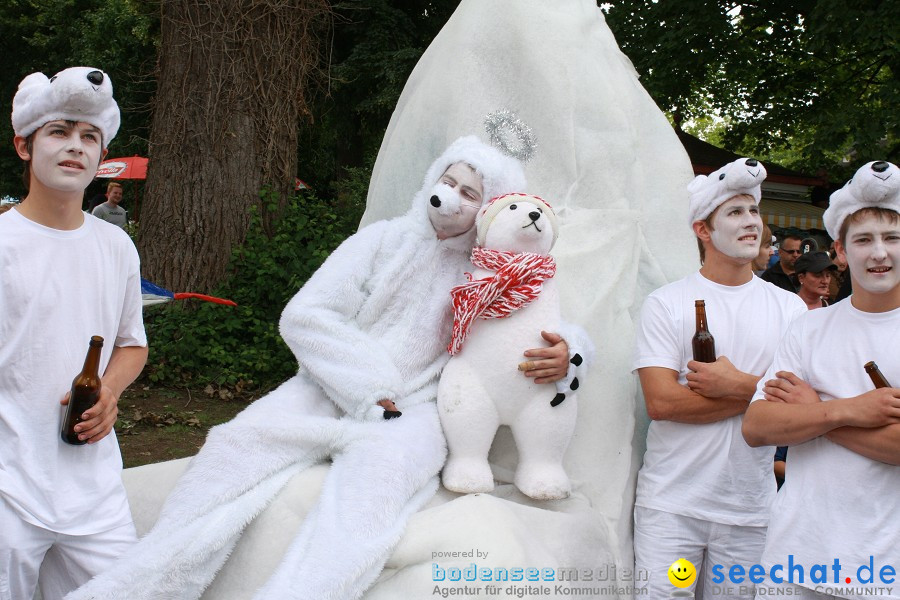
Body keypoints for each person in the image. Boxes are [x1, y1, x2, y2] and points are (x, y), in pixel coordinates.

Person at [68, 136, 580, 600]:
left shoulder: (492, 274)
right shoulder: (381, 241)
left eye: (470, 193)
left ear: (489, 209)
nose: (452, 196)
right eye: (448, 181)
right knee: (233, 447)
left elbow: (540, 324)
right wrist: (366, 383)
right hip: (326, 387)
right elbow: (306, 314)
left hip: (421, 409)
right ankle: (141, 585)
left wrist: (570, 353)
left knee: (372, 495)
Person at [0, 67, 148, 599]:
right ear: (24, 145)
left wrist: (108, 391)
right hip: (9, 489)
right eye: (59, 132)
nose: (75, 147)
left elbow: (131, 344)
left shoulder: (115, 247)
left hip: (94, 493)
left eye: (90, 137)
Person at [632, 157, 806, 599]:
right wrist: (763, 393)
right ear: (702, 230)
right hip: (672, 509)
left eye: (753, 211)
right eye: (734, 212)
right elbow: (662, 404)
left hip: (751, 511)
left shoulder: (791, 310)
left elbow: (802, 411)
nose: (751, 223)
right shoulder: (666, 303)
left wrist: (738, 386)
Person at [742, 159, 900, 599]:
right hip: (794, 557)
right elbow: (757, 427)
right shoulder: (808, 327)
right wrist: (851, 410)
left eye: (892, 238)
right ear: (842, 252)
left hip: (885, 567)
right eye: (864, 240)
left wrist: (812, 414)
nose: (880, 252)